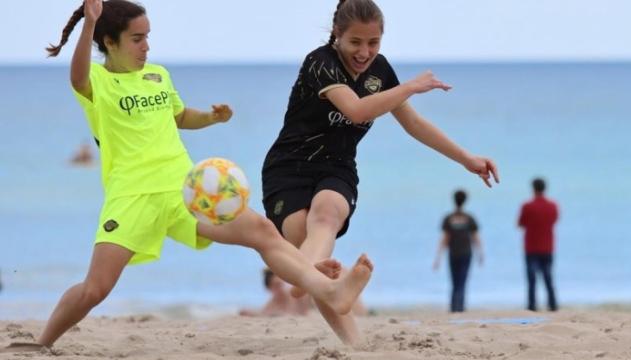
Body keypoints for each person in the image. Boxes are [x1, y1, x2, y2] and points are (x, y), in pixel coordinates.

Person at [2, 0, 373, 352]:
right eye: (137, 38)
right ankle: (44, 341)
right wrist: (90, 24)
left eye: (148, 36)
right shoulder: (97, 82)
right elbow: (78, 76)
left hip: (187, 190)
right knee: (95, 289)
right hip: (133, 198)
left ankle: (329, 291)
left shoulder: (157, 76)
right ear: (109, 43)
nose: (147, 46)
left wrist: (210, 117)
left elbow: (178, 117)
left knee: (263, 232)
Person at [261, 0, 499, 345]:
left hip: (336, 168)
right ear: (337, 35)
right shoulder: (320, 63)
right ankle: (347, 331)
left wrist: (466, 158)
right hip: (288, 168)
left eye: (373, 43)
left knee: (326, 215)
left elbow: (414, 124)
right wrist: (410, 86)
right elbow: (356, 110)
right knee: (309, 244)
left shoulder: (380, 72)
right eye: (355, 42)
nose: (364, 52)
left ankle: (305, 279)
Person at [432, 190, 484, 312]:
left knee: (454, 282)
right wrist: (480, 253)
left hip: (453, 254)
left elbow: (445, 239)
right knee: (462, 281)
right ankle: (459, 307)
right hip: (466, 253)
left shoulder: (449, 218)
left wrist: (438, 257)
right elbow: (476, 238)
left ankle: (454, 307)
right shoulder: (469, 218)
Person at [518, 177, 559, 311]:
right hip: (547, 246)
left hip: (531, 246)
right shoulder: (552, 206)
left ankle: (532, 305)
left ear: (533, 188)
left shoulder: (527, 206)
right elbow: (555, 220)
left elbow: (521, 224)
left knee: (531, 278)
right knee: (548, 276)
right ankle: (552, 304)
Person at [239, 268, 311, 317]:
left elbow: (291, 313)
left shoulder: (291, 294)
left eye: (280, 284)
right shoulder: (274, 300)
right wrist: (251, 313)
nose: (280, 288)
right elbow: (264, 313)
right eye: (276, 285)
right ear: (269, 288)